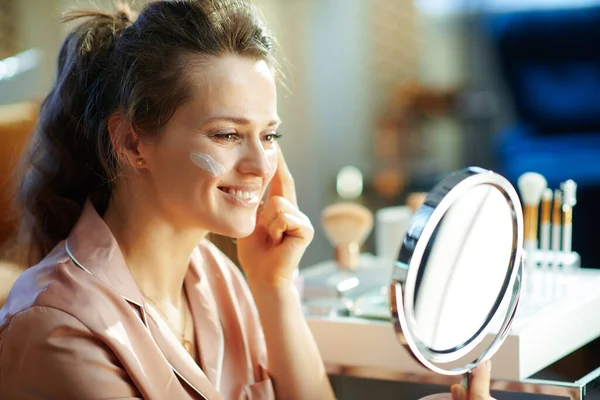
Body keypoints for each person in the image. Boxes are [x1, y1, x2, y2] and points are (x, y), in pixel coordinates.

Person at [0, 0, 494, 399]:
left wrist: (274, 288)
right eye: (227, 135)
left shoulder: (220, 282)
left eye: (270, 136)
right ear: (132, 143)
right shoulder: (57, 331)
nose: (262, 166)